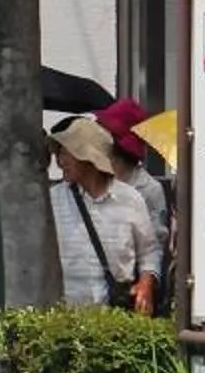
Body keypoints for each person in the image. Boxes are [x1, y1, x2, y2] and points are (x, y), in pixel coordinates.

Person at [49, 115, 154, 313]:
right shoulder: (53, 200)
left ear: (88, 159)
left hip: (116, 316)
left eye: (66, 154)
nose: (60, 162)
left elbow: (149, 252)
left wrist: (146, 285)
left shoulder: (131, 200)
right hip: (65, 317)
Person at [94, 97, 174, 301]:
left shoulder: (149, 189)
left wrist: (146, 282)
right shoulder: (92, 180)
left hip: (130, 288)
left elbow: (155, 244)